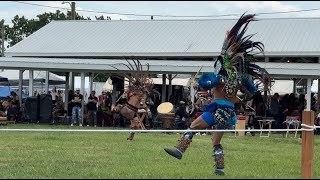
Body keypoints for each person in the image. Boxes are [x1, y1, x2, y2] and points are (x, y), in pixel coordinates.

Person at [164, 13, 271, 176]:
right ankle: (220, 168)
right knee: (216, 141)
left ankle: (180, 150)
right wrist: (240, 97)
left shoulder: (219, 77)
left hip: (216, 112)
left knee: (192, 127)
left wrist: (198, 82)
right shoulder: (239, 79)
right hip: (229, 115)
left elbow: (206, 82)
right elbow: (252, 91)